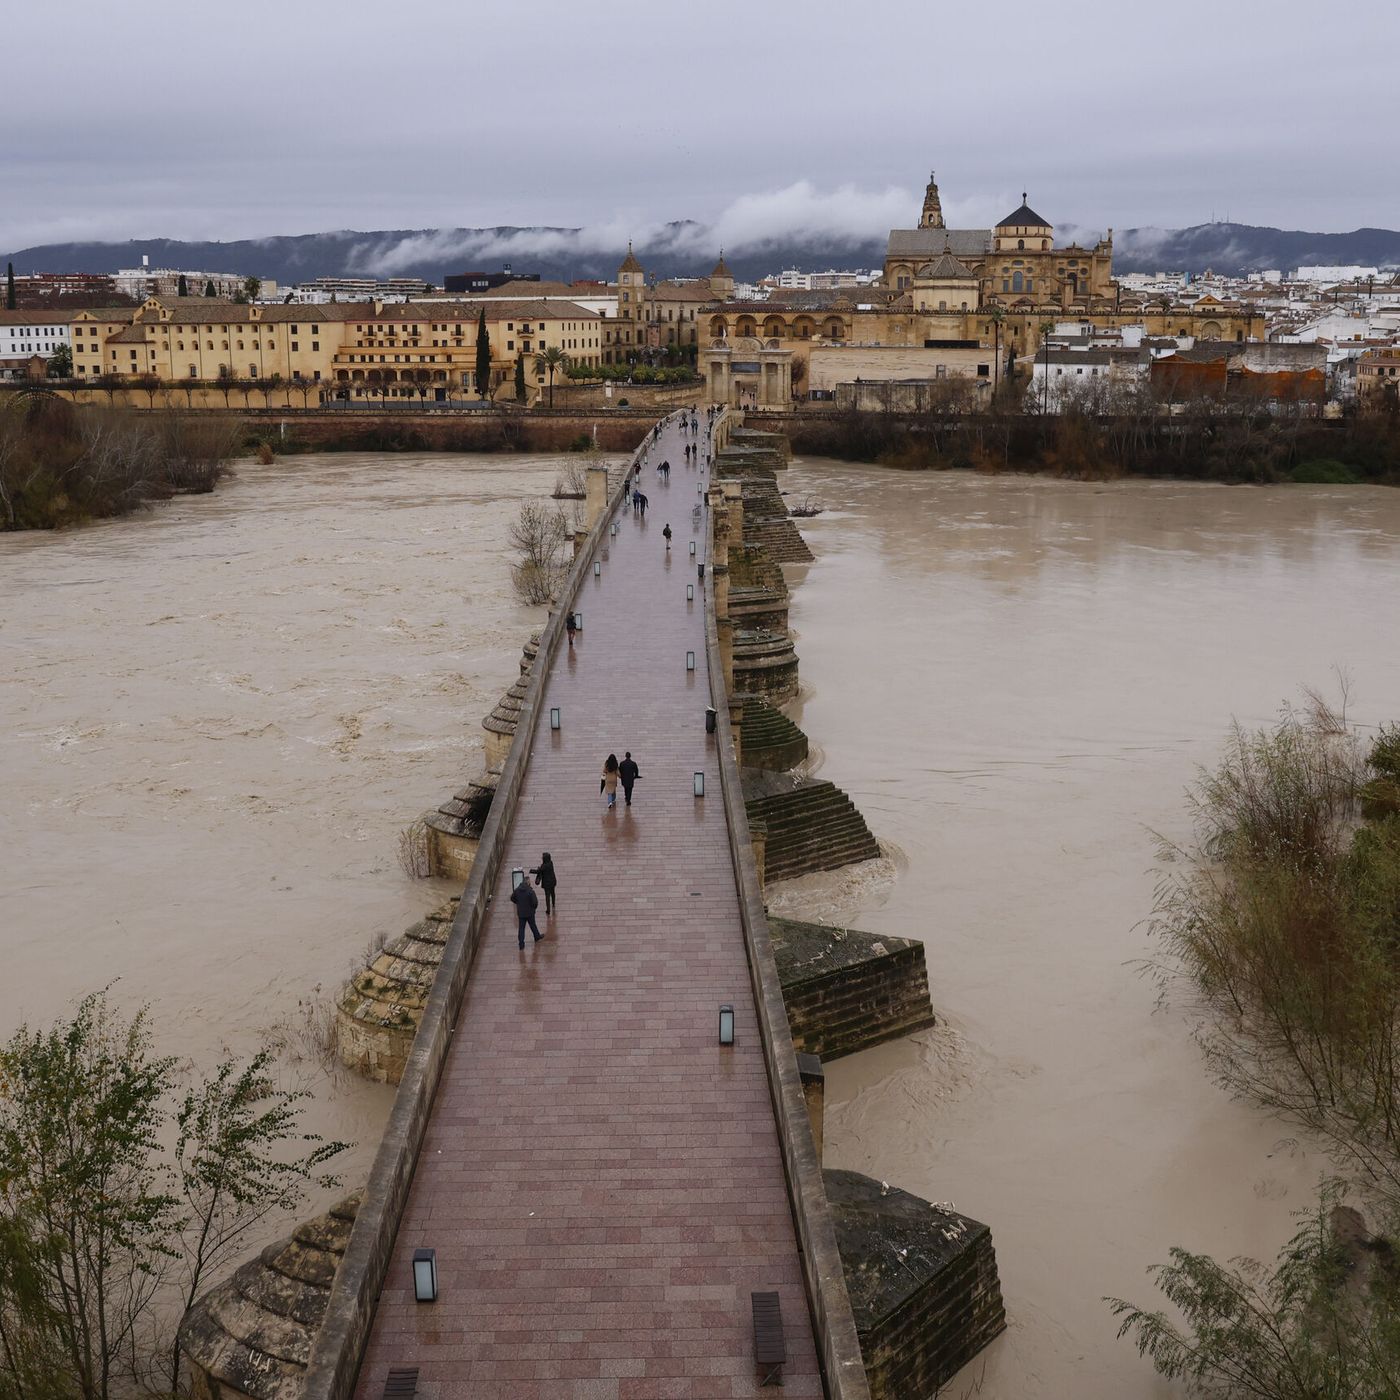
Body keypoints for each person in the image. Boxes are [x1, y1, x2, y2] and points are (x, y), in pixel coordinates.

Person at [510, 874, 543, 948]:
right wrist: (533, 908)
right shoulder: (530, 891)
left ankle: (521, 944)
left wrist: (518, 902)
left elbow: (512, 898)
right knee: (533, 925)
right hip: (530, 912)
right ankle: (537, 937)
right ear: (528, 883)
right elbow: (535, 902)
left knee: (521, 928)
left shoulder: (517, 890)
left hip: (521, 913)